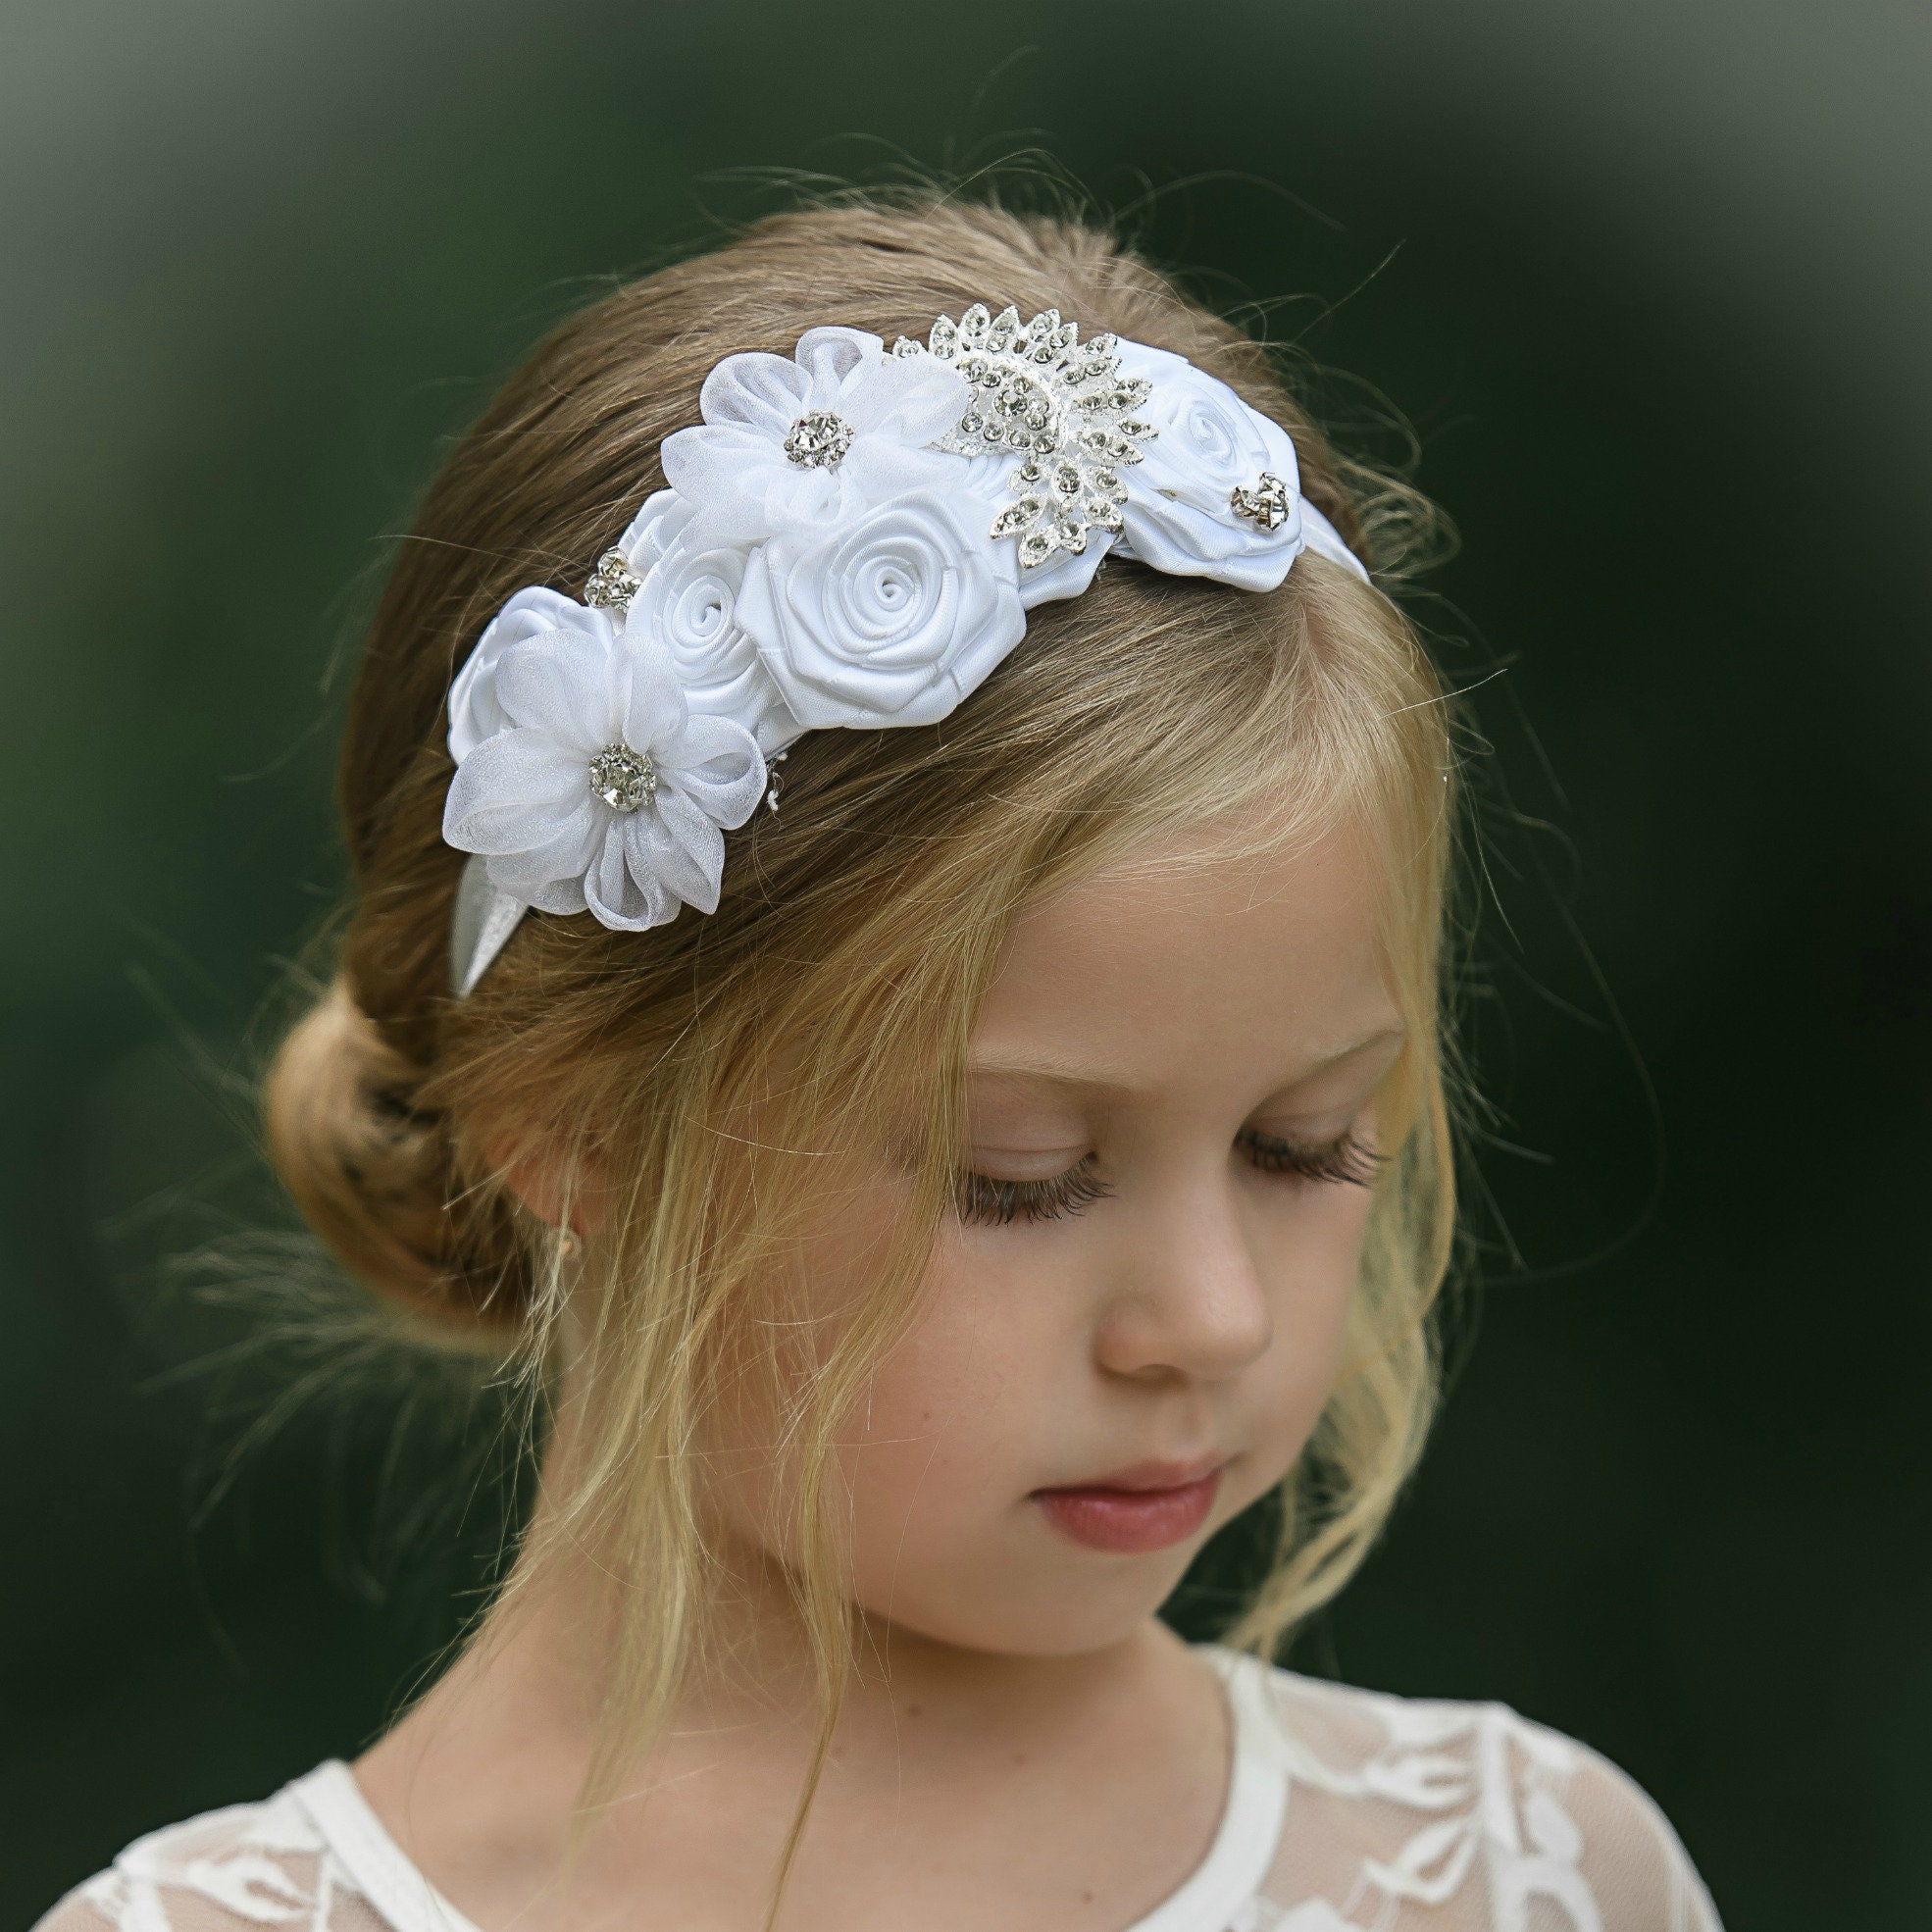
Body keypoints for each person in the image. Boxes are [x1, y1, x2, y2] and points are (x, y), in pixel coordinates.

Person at [35, 196, 1722, 1932]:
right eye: (1021, 1177)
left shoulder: (1528, 1880)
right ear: (578, 1126)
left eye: (1302, 1144)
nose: (1212, 1317)